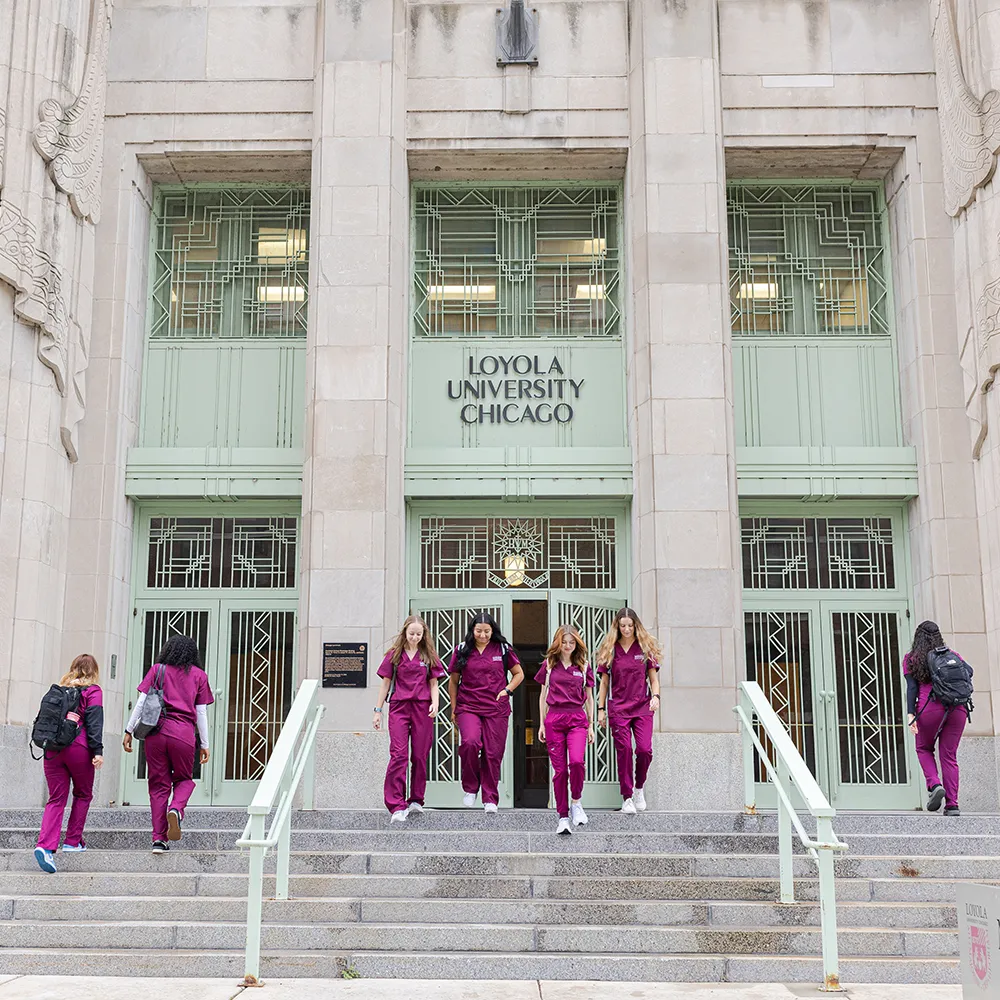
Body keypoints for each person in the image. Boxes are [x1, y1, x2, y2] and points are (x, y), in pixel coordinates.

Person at [123, 635, 213, 852]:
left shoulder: (157, 670)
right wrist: (205, 743)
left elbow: (142, 702)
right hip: (182, 734)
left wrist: (128, 730)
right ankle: (176, 809)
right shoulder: (199, 676)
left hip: (155, 733)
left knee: (158, 786)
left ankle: (159, 839)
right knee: (184, 780)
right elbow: (201, 712)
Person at [33, 654, 105, 874]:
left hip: (52, 749)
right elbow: (93, 721)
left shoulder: (58, 690)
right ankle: (72, 841)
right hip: (78, 748)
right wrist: (98, 751)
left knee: (56, 798)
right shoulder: (93, 691)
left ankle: (44, 846)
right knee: (83, 793)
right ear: (94, 671)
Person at [448, 612, 524, 813]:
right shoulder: (462, 650)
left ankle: (490, 797)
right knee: (470, 743)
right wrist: (453, 708)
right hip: (468, 706)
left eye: (487, 631)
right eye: (479, 631)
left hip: (496, 708)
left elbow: (519, 674)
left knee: (493, 753)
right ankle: (471, 788)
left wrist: (507, 690)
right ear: (472, 630)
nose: (483, 635)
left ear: (493, 631)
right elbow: (453, 681)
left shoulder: (502, 648)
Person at [373, 615, 446, 823]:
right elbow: (385, 684)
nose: (415, 637)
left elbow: (434, 683)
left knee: (420, 755)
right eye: (411, 633)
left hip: (423, 708)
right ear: (405, 632)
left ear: (424, 635)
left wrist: (435, 703)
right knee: (399, 755)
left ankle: (416, 799)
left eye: (419, 634)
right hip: (399, 708)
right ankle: (396, 805)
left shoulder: (428, 655)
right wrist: (378, 710)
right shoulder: (394, 655)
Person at [595, 608, 663, 814]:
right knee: (624, 751)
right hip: (619, 708)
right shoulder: (610, 650)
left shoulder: (644, 649)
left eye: (630, 626)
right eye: (622, 626)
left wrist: (656, 697)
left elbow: (653, 679)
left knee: (644, 750)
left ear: (636, 626)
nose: (626, 629)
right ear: (617, 626)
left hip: (642, 706)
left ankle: (639, 787)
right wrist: (601, 710)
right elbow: (604, 683)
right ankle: (627, 798)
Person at [904, 620, 969, 817]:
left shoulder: (911, 659)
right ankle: (952, 805)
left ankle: (934, 784)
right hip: (958, 708)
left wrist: (910, 714)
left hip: (929, 708)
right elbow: (970, 672)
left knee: (923, 748)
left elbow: (912, 689)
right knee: (949, 755)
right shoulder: (953, 655)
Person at [537, 624, 595, 835]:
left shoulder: (584, 666)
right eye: (564, 642)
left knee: (577, 762)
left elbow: (589, 697)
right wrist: (542, 723)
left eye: (572, 642)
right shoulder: (549, 665)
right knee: (560, 772)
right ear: (558, 643)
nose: (568, 646)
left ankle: (576, 803)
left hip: (577, 718)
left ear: (577, 644)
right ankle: (562, 817)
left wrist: (590, 725)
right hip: (554, 718)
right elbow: (542, 696)